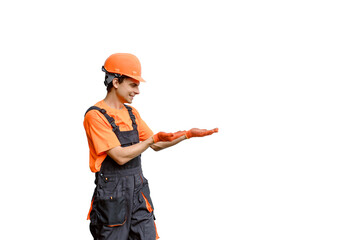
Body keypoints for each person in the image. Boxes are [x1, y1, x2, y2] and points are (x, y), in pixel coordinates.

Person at [83, 53, 218, 240]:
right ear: (115, 82)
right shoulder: (95, 116)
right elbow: (120, 156)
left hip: (138, 191)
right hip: (112, 196)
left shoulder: (131, 113)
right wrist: (149, 141)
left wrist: (187, 134)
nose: (137, 91)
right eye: (133, 85)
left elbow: (157, 143)